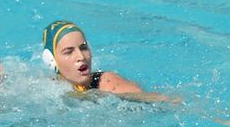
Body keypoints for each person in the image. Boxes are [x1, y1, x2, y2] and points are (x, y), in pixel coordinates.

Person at [42, 21, 178, 104]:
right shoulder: (48, 87)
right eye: (69, 52)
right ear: (51, 61)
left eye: (83, 48)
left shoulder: (107, 83)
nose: (81, 57)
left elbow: (156, 99)